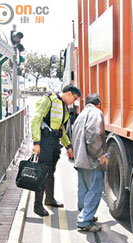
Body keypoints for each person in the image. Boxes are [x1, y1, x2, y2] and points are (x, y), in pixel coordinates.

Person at [31, 84, 81, 216]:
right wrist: (36, 142)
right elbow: (36, 119)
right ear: (69, 93)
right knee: (43, 172)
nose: (73, 102)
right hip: (45, 140)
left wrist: (68, 146)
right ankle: (37, 206)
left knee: (51, 171)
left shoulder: (64, 107)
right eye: (74, 98)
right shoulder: (49, 99)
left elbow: (62, 130)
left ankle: (49, 199)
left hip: (54, 142)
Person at [72, 93, 107, 232]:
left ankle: (84, 213)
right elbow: (94, 135)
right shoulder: (96, 112)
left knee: (84, 189)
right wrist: (99, 155)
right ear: (98, 103)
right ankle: (84, 221)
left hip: (80, 159)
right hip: (91, 161)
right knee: (94, 190)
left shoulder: (81, 114)